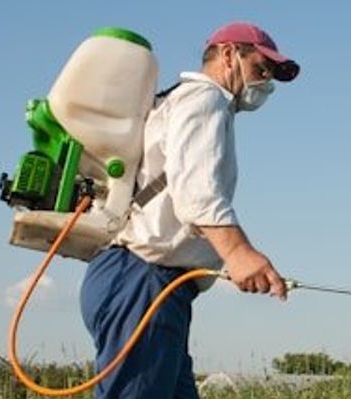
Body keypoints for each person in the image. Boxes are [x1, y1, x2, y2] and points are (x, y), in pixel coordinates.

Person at [79, 21, 300, 399]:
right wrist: (238, 253)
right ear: (230, 54)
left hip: (151, 285)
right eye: (261, 69)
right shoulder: (205, 99)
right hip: (143, 280)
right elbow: (197, 191)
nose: (265, 83)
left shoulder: (183, 100)